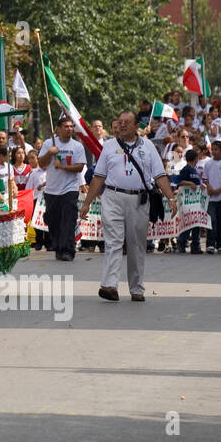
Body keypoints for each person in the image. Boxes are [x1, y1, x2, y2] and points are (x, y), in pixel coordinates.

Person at [79, 110, 175, 302]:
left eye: (127, 122)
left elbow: (159, 176)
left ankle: (136, 288)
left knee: (136, 245)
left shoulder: (148, 147)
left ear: (136, 126)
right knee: (113, 242)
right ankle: (109, 285)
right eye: (120, 122)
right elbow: (99, 177)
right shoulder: (108, 146)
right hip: (113, 197)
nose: (122, 125)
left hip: (139, 200)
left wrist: (171, 199)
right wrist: (87, 203)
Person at [39, 115, 86, 261]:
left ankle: (68, 250)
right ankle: (59, 247)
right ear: (58, 129)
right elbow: (41, 163)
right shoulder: (48, 144)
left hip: (70, 189)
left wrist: (62, 166)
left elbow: (79, 167)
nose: (69, 129)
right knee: (53, 221)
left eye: (71, 126)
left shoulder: (77, 146)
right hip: (52, 190)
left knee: (68, 220)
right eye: (66, 127)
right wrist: (50, 153)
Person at [169, 148, 204, 254]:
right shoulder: (186, 169)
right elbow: (178, 182)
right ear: (196, 158)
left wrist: (200, 186)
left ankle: (195, 246)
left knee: (196, 223)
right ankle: (181, 242)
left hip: (196, 202)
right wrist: (190, 184)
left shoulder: (195, 170)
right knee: (189, 223)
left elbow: (197, 183)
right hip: (187, 201)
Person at [203, 140, 221, 254]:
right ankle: (210, 244)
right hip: (211, 198)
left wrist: (219, 190)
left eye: (216, 149)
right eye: (212, 149)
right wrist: (209, 187)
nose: (214, 152)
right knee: (211, 220)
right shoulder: (208, 163)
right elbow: (205, 178)